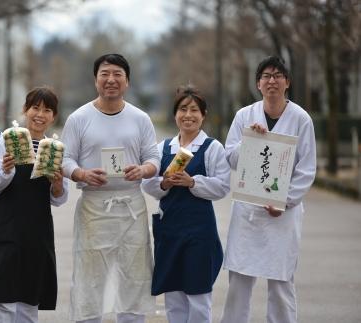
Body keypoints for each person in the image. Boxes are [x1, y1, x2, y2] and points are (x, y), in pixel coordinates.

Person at [61, 53, 160, 323]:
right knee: (90, 279)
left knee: (133, 276)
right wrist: (80, 172)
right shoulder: (79, 118)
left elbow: (153, 157)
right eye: (105, 74)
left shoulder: (140, 118)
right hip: (94, 206)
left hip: (131, 206)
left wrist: (143, 170)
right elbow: (65, 158)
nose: (111, 79)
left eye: (117, 74)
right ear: (96, 80)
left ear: (127, 81)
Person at [220, 56, 317, 323]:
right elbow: (230, 158)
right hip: (249, 211)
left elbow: (306, 169)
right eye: (266, 76)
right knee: (239, 281)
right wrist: (249, 141)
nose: (271, 81)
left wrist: (284, 201)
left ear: (287, 82)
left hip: (283, 214)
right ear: (258, 84)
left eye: (277, 76)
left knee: (281, 282)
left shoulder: (301, 119)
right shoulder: (244, 116)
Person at [0, 86, 68, 323]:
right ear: (25, 110)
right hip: (4, 227)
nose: (40, 114)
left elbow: (59, 198)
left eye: (47, 110)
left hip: (36, 232)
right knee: (1, 298)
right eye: (35, 108)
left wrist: (57, 184)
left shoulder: (54, 149)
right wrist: (6, 169)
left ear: (53, 116)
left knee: (29, 301)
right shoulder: (9, 139)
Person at [141, 85, 230, 323]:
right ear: (175, 114)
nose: (188, 115)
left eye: (194, 110)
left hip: (199, 232)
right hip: (169, 230)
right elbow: (147, 184)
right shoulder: (163, 148)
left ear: (203, 115)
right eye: (182, 109)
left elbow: (222, 186)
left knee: (199, 298)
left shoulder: (213, 148)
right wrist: (164, 184)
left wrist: (192, 182)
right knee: (173, 298)